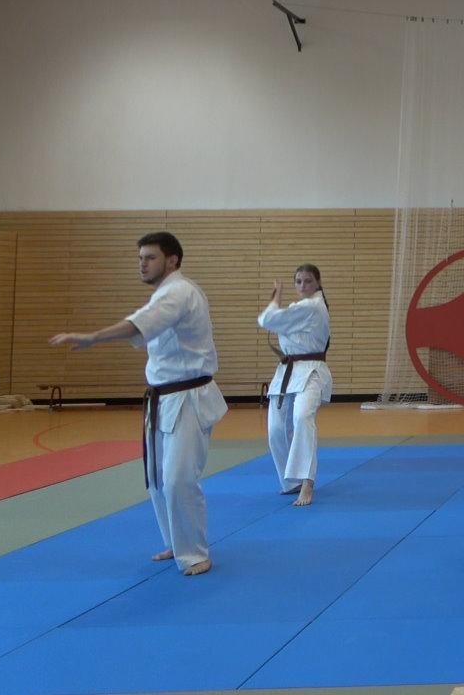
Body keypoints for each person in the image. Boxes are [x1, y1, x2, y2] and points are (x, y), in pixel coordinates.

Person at [51, 232, 226, 576]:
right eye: (140, 258)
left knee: (178, 479)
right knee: (157, 478)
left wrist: (94, 337)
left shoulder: (179, 291)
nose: (142, 264)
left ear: (172, 260)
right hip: (162, 397)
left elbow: (137, 325)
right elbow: (142, 328)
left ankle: (195, 553)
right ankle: (176, 542)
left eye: (150, 257)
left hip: (188, 398)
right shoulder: (163, 294)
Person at [258, 264, 332, 506]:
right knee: (275, 429)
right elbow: (272, 322)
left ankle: (307, 482)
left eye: (308, 281)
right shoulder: (299, 308)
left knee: (302, 418)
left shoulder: (313, 306)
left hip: (311, 371)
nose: (302, 285)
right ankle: (291, 482)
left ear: (318, 283)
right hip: (287, 372)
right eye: (298, 281)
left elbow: (267, 319)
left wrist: (276, 297)